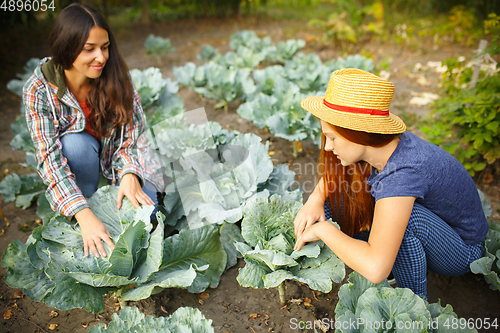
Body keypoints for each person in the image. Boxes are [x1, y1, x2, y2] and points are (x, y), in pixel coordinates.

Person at [293, 68, 488, 298]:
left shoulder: (401, 174)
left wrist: (325, 230)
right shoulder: (384, 147)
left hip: (461, 250)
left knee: (407, 221)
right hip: (437, 226)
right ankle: (394, 256)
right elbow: (336, 177)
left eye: (333, 138)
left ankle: (412, 304)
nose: (327, 147)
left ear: (359, 133)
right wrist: (315, 198)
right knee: (334, 198)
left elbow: (376, 270)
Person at [23, 3, 160, 259]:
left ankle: (113, 196)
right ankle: (82, 212)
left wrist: (130, 173)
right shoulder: (39, 90)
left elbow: (134, 135)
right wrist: (85, 216)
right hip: (79, 171)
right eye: (90, 49)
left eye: (105, 47)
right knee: (75, 143)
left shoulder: (116, 77)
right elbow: (49, 162)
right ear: (66, 47)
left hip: (115, 165)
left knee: (149, 214)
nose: (102, 57)